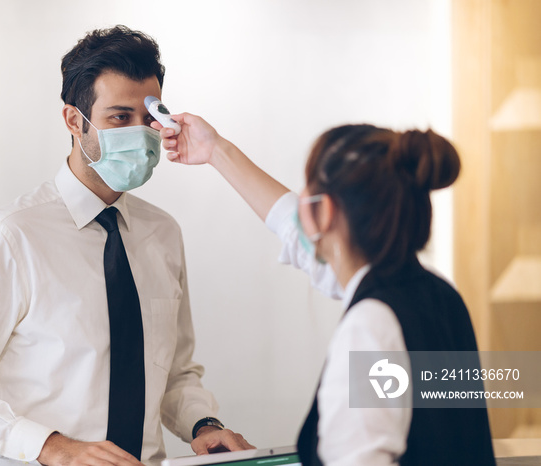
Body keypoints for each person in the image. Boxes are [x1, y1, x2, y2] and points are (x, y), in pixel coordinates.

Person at [0, 26, 252, 466]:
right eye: (119, 117)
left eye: (149, 118)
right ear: (75, 121)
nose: (141, 133)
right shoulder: (12, 235)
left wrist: (202, 425)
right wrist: (52, 447)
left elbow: (173, 372)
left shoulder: (163, 233)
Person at [154, 115, 496, 465]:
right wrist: (215, 150)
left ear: (325, 210)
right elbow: (296, 231)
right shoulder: (439, 296)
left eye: (306, 191)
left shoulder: (372, 325)